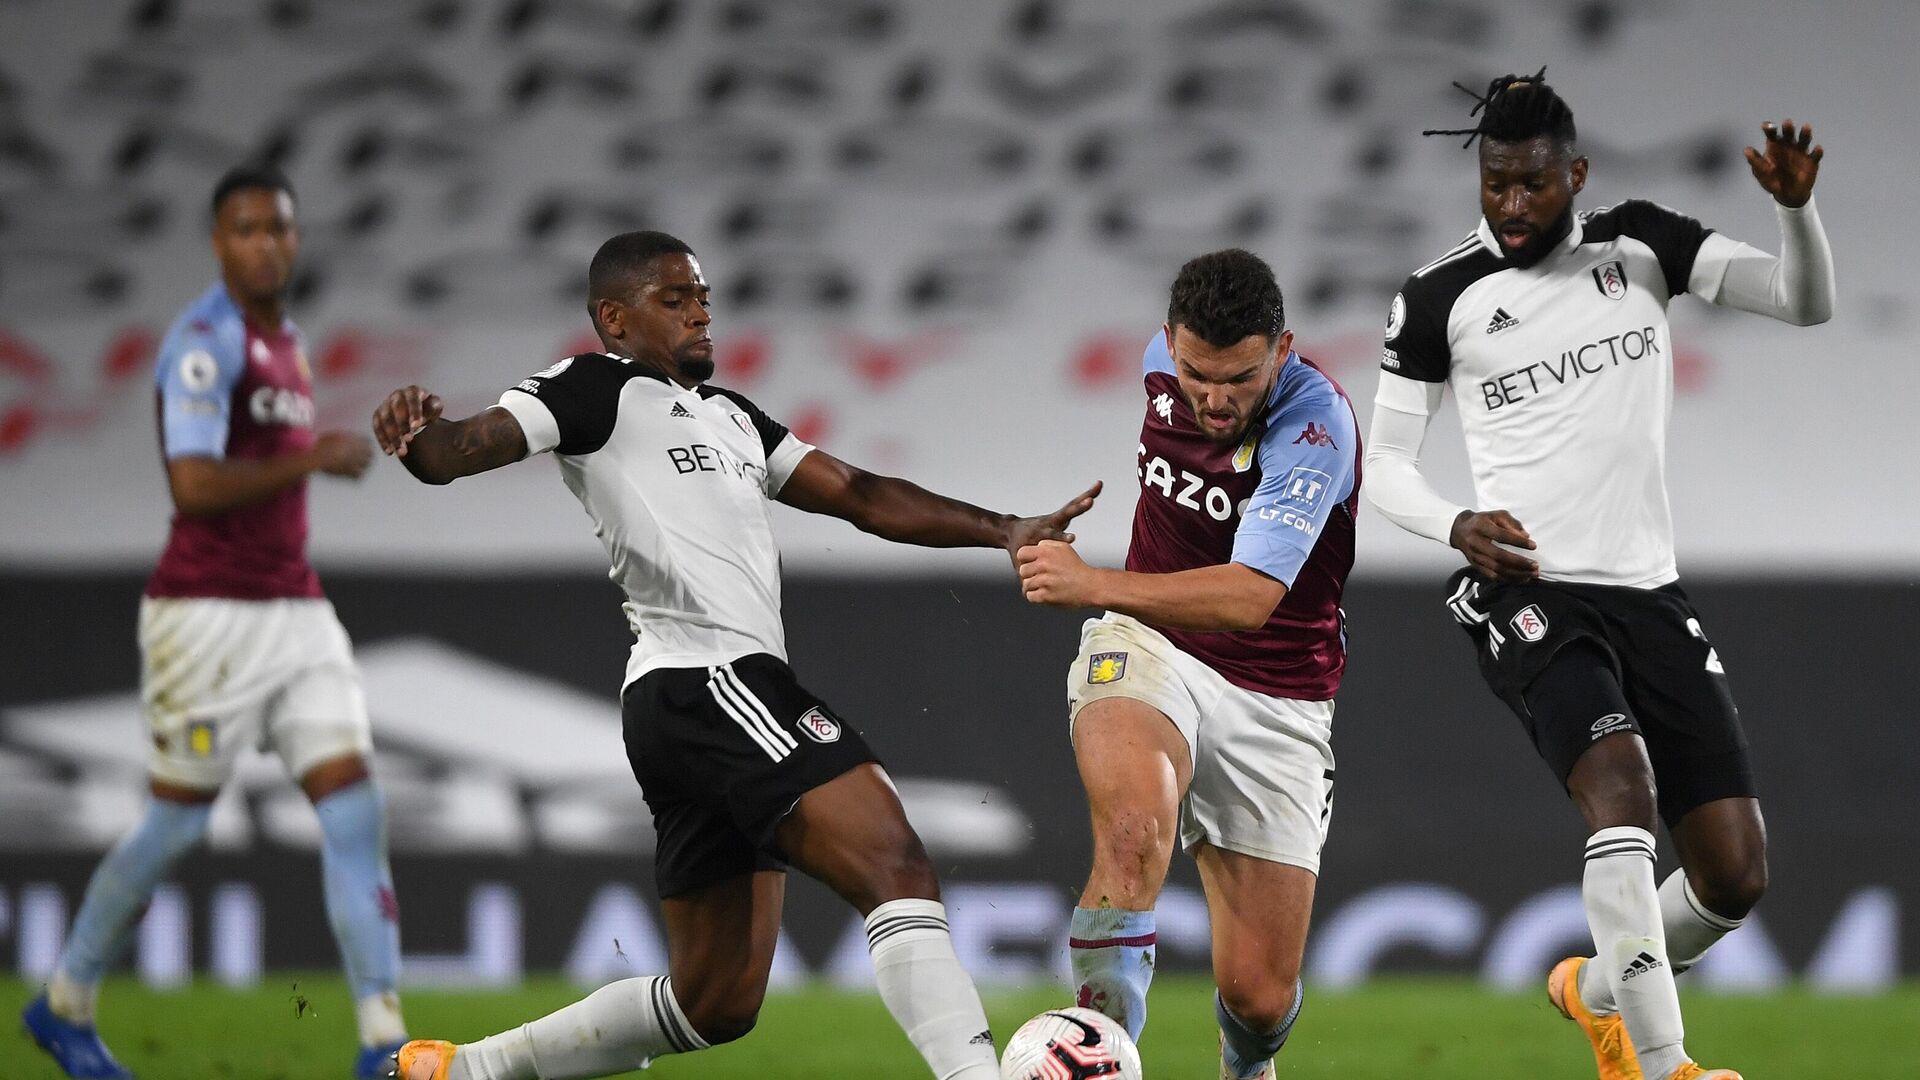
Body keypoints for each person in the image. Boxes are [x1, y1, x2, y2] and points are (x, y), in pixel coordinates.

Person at [371, 229, 1099, 1080]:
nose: (700, 313)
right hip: (707, 677)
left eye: (703, 296)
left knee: (713, 1001)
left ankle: (458, 1073)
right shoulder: (592, 388)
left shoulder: (735, 417)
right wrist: (421, 439)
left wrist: (1002, 530)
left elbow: (860, 494)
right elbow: (466, 447)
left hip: (690, 703)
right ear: (614, 315)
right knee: (894, 863)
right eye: (674, 298)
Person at [1363, 71, 1833, 1080]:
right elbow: (1385, 464)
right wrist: (1455, 524)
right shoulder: (1438, 297)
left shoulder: (1644, 246)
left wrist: (1796, 214)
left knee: (1734, 875)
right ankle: (1663, 1067)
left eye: (1534, 183)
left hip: (1649, 591)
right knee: (1621, 791)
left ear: (1573, 173)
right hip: (1531, 588)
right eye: (1495, 184)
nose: (1514, 205)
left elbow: (1803, 302)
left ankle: (1591, 988)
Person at [21, 164, 407, 1080]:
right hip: (206, 617)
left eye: (278, 228)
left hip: (296, 611)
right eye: (245, 229)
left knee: (356, 812)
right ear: (217, 242)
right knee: (181, 826)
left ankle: (383, 1043)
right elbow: (192, 484)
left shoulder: (290, 341)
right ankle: (64, 1002)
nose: (265, 244)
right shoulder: (204, 343)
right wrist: (309, 460)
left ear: (296, 238)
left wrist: (304, 462)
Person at [1016, 249, 1361, 1080]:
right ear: (1169, 343)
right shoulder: (1160, 365)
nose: (1214, 398)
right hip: (1148, 640)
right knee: (1133, 833)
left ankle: (1246, 1067)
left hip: (1279, 692)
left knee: (1259, 996)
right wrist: (1110, 598)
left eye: (1239, 377)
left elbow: (1249, 598)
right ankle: (1101, 1057)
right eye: (1197, 373)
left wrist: (1088, 579)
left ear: (1282, 351)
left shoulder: (1317, 426)